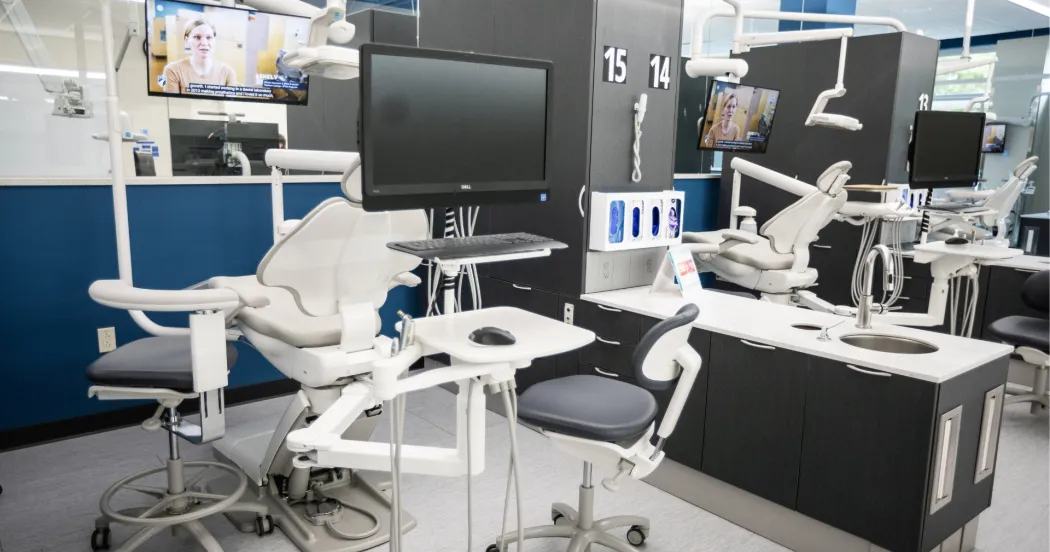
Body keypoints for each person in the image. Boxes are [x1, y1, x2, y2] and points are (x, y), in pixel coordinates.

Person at [162, 19, 238, 94]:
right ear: (186, 40)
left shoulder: (228, 72)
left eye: (209, 38)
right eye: (197, 37)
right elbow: (173, 104)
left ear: (214, 40)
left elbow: (229, 105)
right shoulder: (172, 70)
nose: (204, 43)